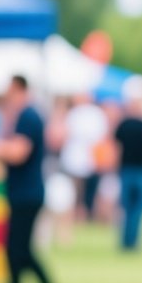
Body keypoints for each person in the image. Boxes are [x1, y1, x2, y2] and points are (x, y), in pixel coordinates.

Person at [0, 75, 64, 283]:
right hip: (24, 193)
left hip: (26, 194)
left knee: (16, 251)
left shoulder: (28, 116)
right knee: (21, 251)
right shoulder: (27, 115)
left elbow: (19, 152)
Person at [113, 90, 142, 250]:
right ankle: (132, 241)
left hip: (130, 170)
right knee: (136, 208)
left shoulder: (124, 125)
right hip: (138, 171)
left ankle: (127, 241)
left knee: (128, 207)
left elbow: (116, 149)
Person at [60, 93, 107, 224]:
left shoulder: (94, 113)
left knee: (88, 189)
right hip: (76, 158)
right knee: (76, 189)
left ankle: (86, 212)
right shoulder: (74, 113)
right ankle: (77, 213)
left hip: (89, 157)